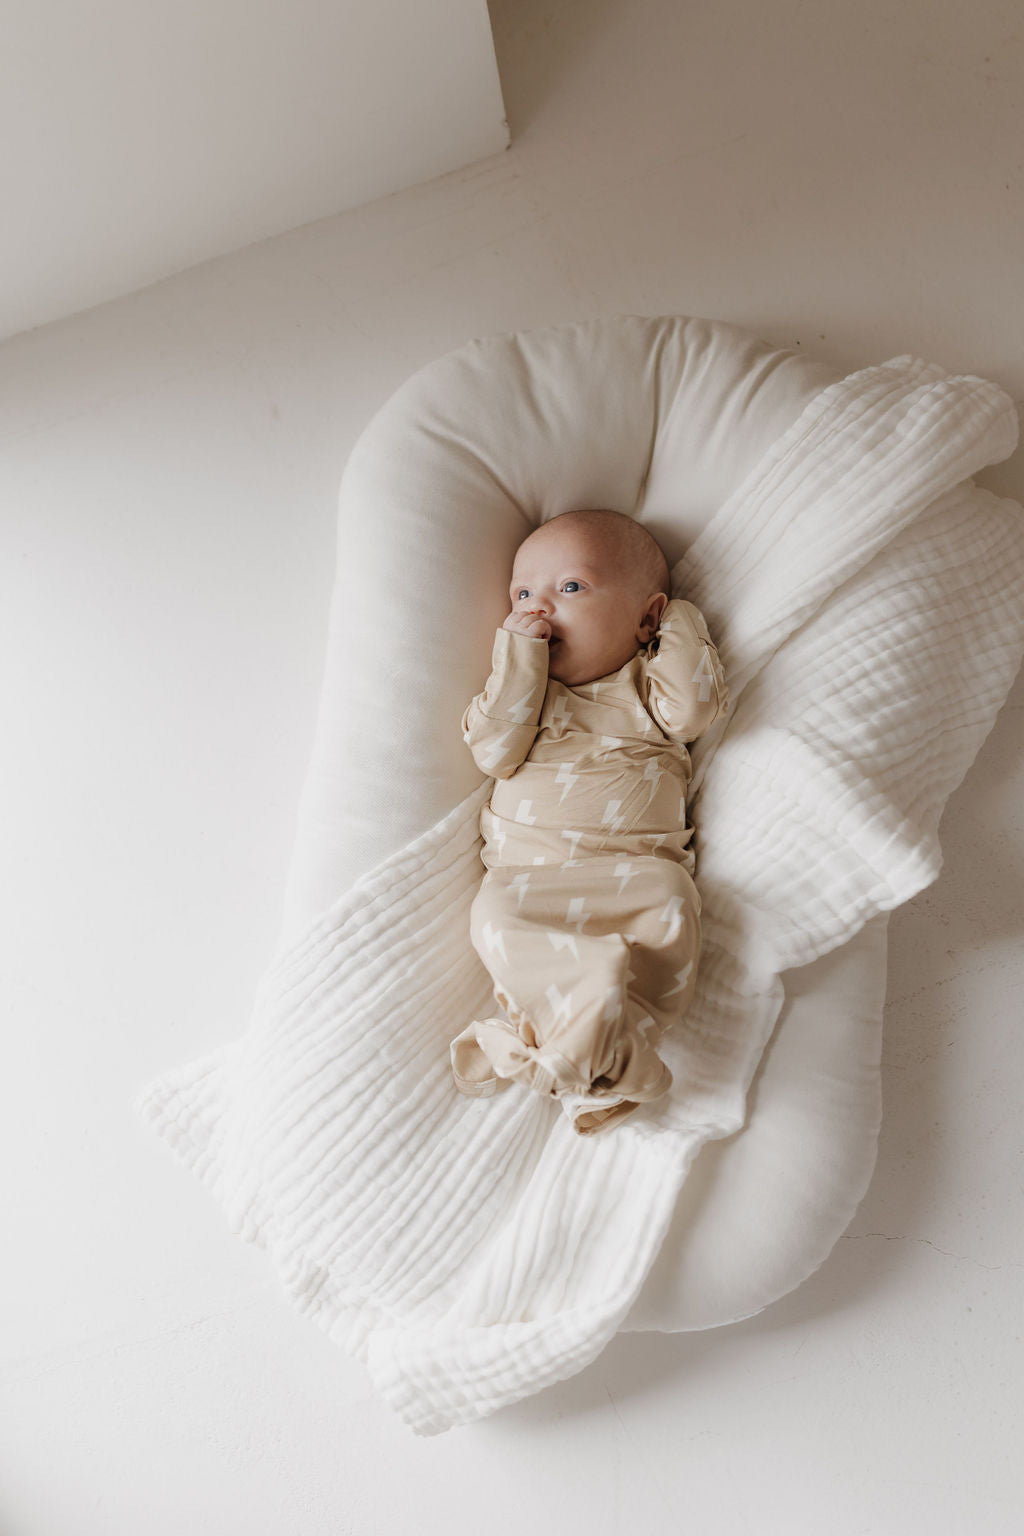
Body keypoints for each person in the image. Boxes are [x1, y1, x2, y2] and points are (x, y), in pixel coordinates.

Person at [450, 508, 727, 1134]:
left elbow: (694, 710)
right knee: (491, 915)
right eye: (522, 595)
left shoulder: (647, 693)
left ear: (647, 616)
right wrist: (520, 657)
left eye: (569, 588)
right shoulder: (526, 698)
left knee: (675, 901)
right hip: (531, 885)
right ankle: (600, 1054)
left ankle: (592, 1051)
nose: (540, 609)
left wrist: (681, 620)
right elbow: (493, 749)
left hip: (637, 877)